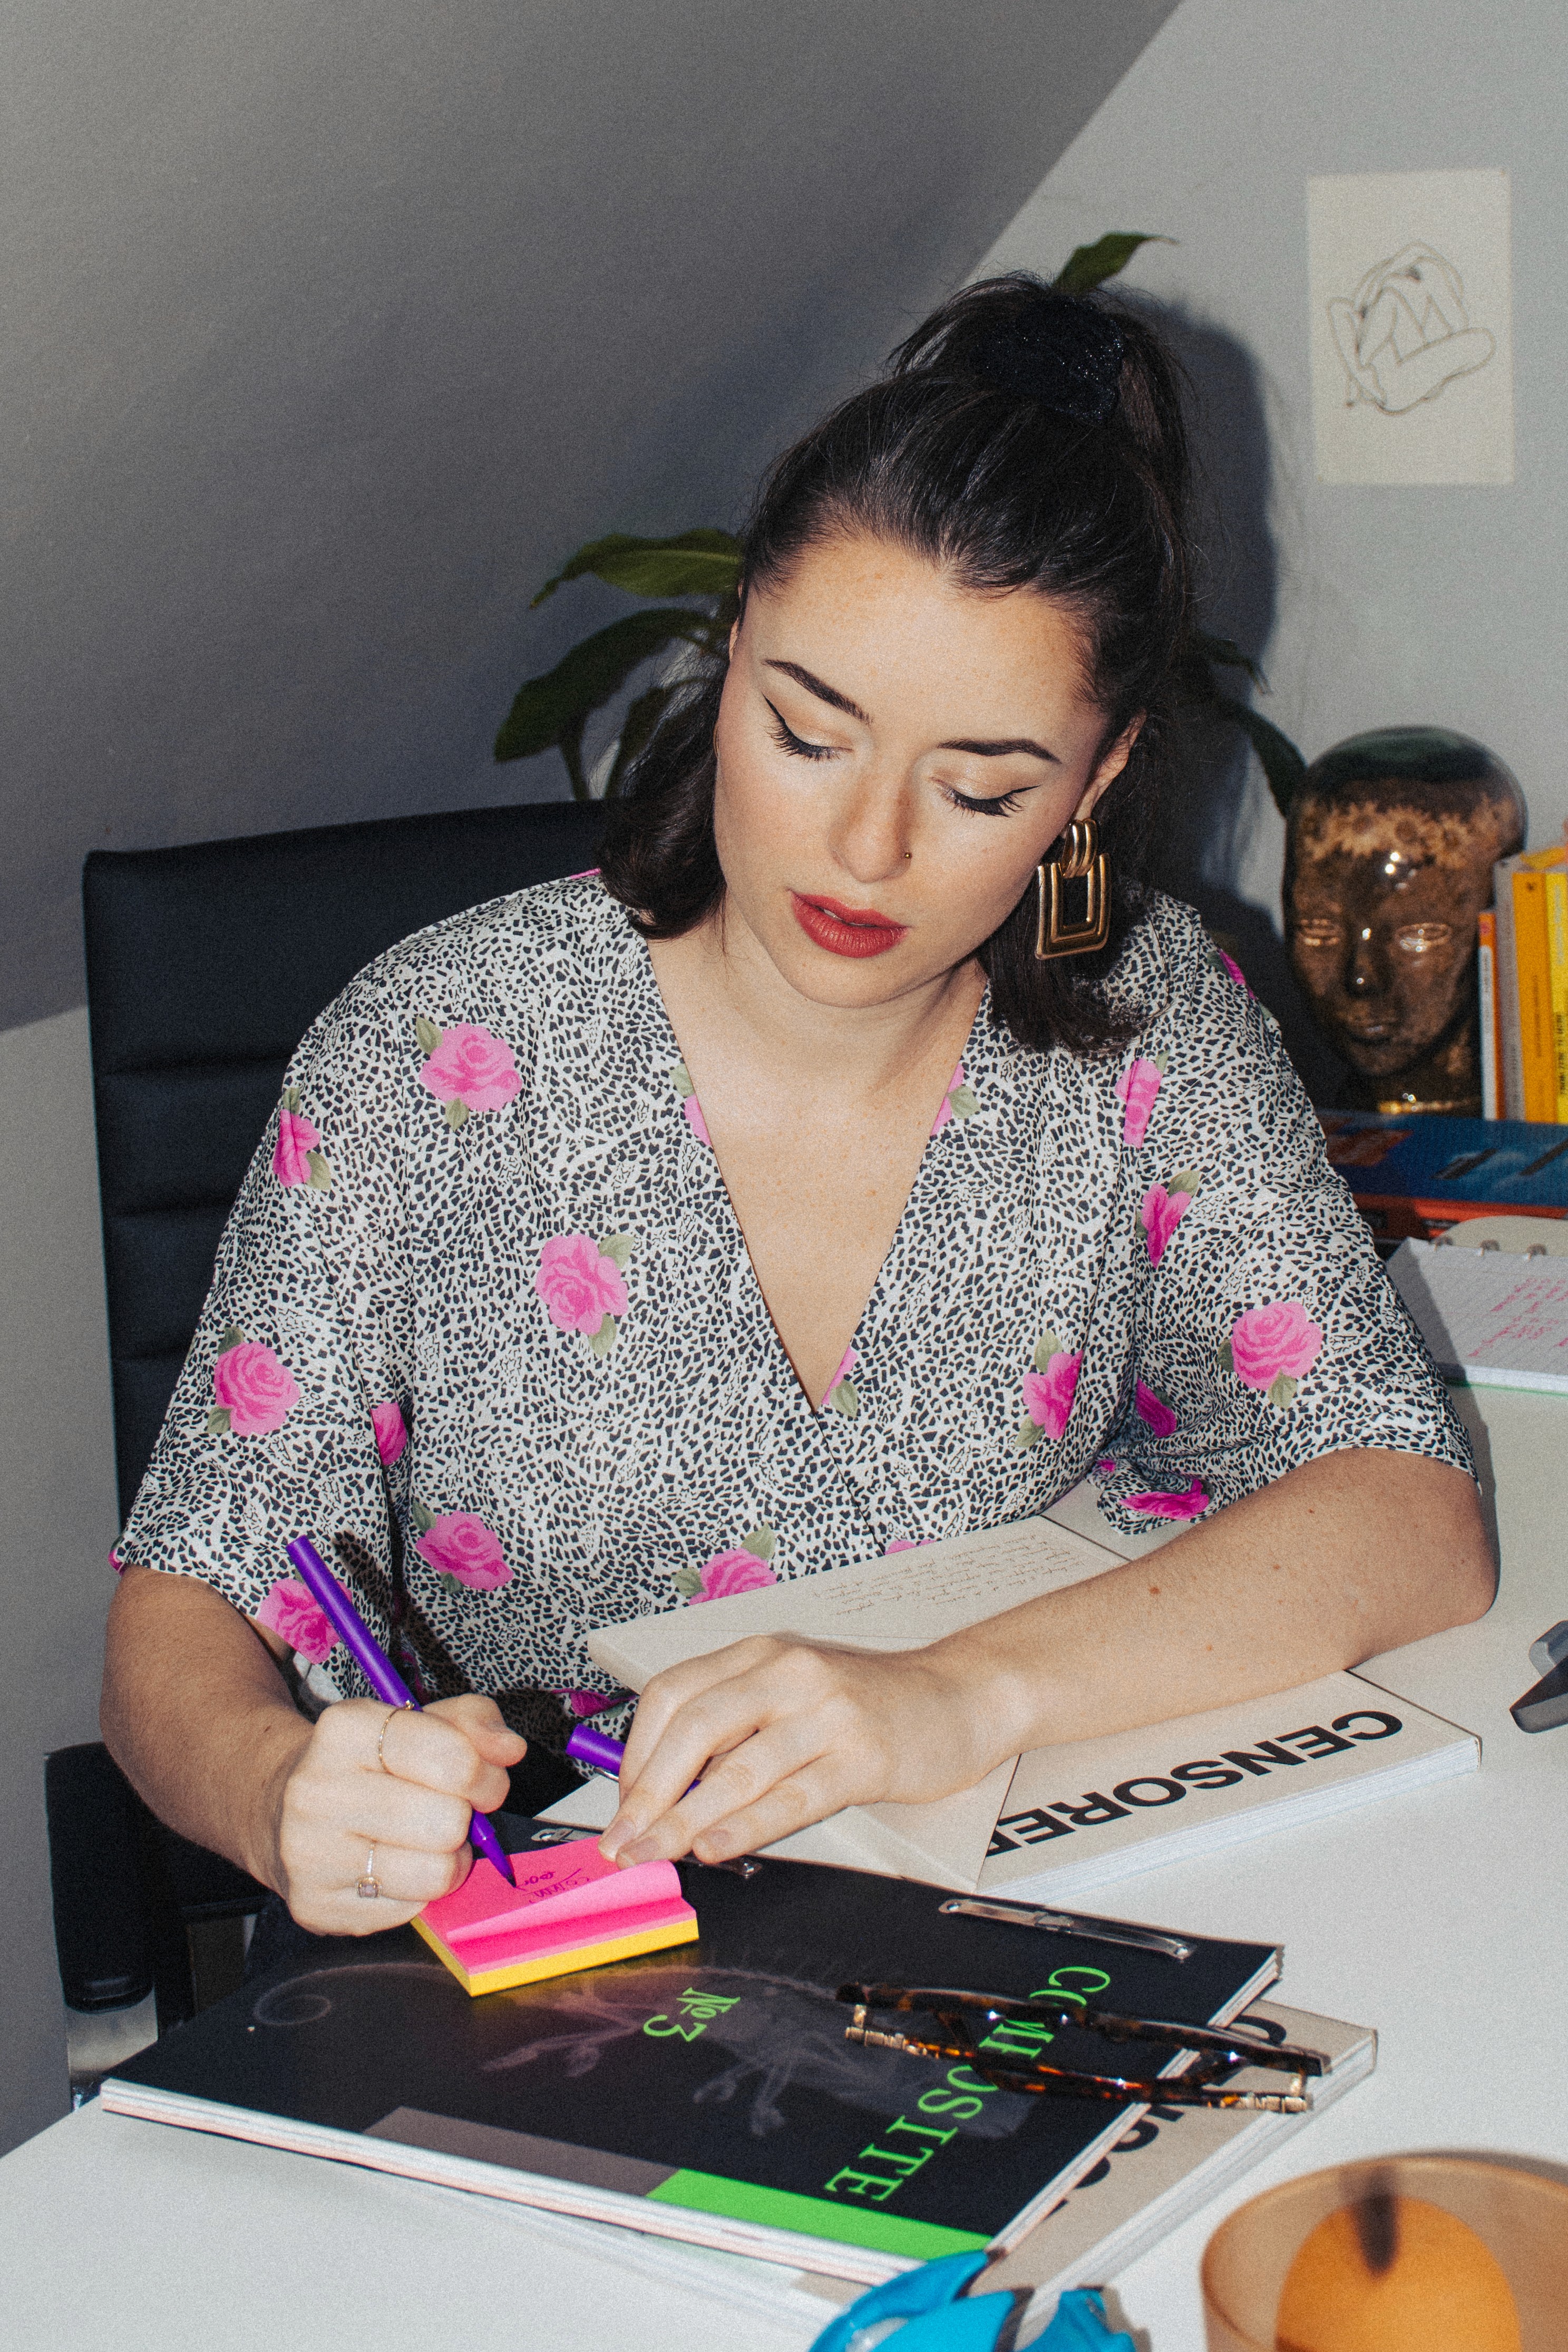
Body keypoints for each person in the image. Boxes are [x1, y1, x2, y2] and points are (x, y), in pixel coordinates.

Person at [101, 275, 1492, 1938]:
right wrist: (278, 1789)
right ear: (732, 653)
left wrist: (953, 1695)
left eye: (980, 786)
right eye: (810, 733)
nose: (869, 850)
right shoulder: (436, 1052)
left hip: (983, 1916)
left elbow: (1407, 1512)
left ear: (1099, 779)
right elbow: (183, 1610)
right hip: (542, 1949)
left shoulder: (1148, 1022)